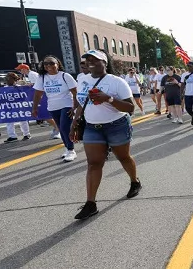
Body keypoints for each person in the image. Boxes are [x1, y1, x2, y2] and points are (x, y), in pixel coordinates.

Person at [69, 49, 140, 219]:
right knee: (93, 164)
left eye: (95, 59)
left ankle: (134, 181)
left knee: (123, 157)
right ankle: (90, 203)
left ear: (105, 63)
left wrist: (108, 99)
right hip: (92, 128)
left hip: (116, 126)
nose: (90, 62)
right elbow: (81, 103)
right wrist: (74, 123)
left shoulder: (117, 82)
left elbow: (130, 108)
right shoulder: (82, 79)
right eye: (87, 60)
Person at [32, 55, 79, 162]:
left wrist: (74, 107)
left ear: (57, 64)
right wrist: (34, 108)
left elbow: (75, 93)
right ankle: (67, 148)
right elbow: (38, 94)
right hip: (52, 107)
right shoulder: (42, 77)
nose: (49, 65)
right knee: (60, 128)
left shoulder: (65, 76)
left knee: (65, 127)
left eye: (52, 63)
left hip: (67, 105)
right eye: (46, 64)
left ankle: (72, 151)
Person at [16, 63, 60, 138]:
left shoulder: (32, 74)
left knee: (44, 114)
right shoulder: (31, 74)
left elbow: (37, 85)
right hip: (40, 97)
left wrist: (26, 85)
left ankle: (57, 128)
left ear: (24, 69)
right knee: (44, 114)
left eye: (20, 70)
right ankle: (57, 127)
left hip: (42, 97)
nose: (20, 71)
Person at [3, 72, 32, 143]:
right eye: (6, 79)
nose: (7, 80)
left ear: (14, 79)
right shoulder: (4, 88)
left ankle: (26, 134)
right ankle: (12, 136)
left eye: (9, 78)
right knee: (9, 121)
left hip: (19, 106)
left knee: (23, 120)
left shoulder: (19, 87)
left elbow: (24, 96)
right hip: (9, 106)